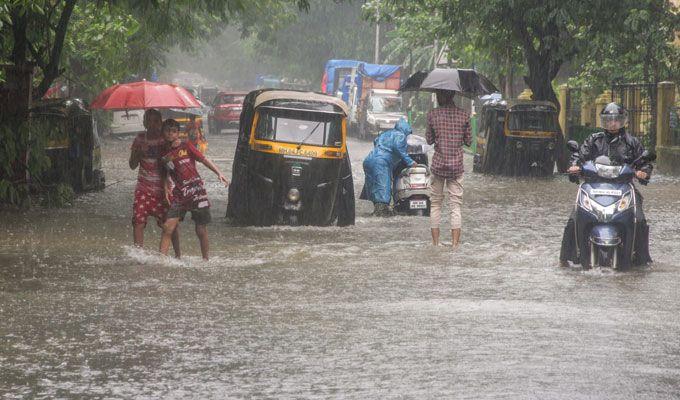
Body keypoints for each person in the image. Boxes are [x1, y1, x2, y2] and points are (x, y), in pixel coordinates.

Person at [559, 102, 653, 267]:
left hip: (624, 186)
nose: (613, 123)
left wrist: (643, 171)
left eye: (616, 119)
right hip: (594, 186)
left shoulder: (632, 142)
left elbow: (643, 161)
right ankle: (565, 258)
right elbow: (579, 155)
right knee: (573, 219)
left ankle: (641, 259)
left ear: (623, 121)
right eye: (609, 120)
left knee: (640, 220)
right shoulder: (594, 140)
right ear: (603, 121)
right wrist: (574, 165)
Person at [159, 119, 229, 260]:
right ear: (163, 133)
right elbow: (165, 174)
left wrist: (219, 172)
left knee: (201, 229)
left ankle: (206, 260)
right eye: (167, 131)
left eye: (173, 131)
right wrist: (166, 188)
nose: (170, 134)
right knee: (168, 227)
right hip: (179, 193)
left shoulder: (187, 146)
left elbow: (203, 159)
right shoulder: (164, 154)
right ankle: (161, 261)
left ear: (178, 133)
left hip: (196, 191)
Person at [129, 108, 180, 256]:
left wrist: (173, 147)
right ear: (145, 122)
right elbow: (132, 165)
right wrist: (139, 152)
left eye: (156, 121)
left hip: (163, 189)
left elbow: (174, 163)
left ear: (161, 123)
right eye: (149, 121)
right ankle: (138, 256)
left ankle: (178, 256)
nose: (152, 124)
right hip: (143, 188)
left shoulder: (166, 140)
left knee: (171, 226)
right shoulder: (139, 139)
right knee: (138, 222)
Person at [426, 90, 471, 248]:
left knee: (436, 203)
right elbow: (469, 141)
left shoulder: (432, 114)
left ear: (444, 96)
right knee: (455, 205)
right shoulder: (464, 115)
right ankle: (454, 245)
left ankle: (436, 244)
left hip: (438, 165)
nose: (437, 97)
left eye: (439, 95)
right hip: (456, 167)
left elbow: (429, 140)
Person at [360, 119, 417, 216]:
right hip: (381, 162)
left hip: (369, 160)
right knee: (383, 187)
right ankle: (382, 211)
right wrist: (411, 162)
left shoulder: (385, 134)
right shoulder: (400, 136)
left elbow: (376, 141)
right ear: (406, 130)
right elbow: (398, 148)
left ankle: (377, 210)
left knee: (373, 186)